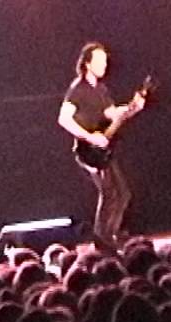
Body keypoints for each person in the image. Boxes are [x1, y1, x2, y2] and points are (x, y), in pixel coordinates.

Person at [57, 42, 145, 251]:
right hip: (88, 151)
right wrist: (89, 137)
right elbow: (63, 118)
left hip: (103, 151)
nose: (104, 65)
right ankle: (102, 241)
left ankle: (108, 236)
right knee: (109, 193)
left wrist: (133, 108)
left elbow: (111, 114)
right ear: (87, 64)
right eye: (100, 61)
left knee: (122, 194)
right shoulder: (78, 89)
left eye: (105, 60)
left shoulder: (101, 89)